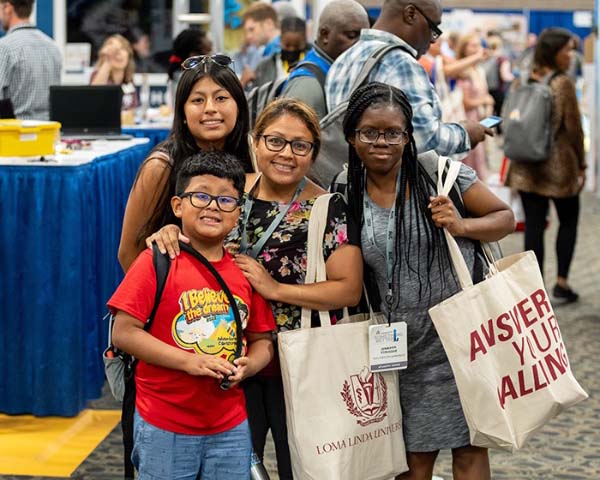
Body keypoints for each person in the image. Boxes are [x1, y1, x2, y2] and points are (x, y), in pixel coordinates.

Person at [148, 98, 363, 479]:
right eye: (275, 141)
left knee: (301, 465)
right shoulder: (230, 191)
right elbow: (194, 231)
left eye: (300, 145)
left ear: (314, 152)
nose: (286, 154)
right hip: (222, 359)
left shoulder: (328, 208)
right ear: (255, 142)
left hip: (297, 363)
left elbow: (347, 290)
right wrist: (169, 231)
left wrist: (275, 289)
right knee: (230, 468)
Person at [343, 82, 514, 479]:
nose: (381, 142)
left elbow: (503, 218)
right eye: (369, 132)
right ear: (352, 136)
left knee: (469, 448)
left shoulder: (439, 174)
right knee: (410, 461)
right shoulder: (344, 188)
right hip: (393, 346)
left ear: (408, 136)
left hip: (458, 338)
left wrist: (462, 224)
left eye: (393, 133)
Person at [109, 152, 276, 479]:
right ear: (177, 206)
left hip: (230, 426)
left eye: (226, 199)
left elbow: (261, 340)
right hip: (164, 424)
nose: (213, 206)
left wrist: (250, 365)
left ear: (237, 212)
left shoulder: (244, 273)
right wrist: (190, 362)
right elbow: (124, 332)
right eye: (201, 195)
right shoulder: (156, 261)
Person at [117, 54, 252, 272]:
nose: (210, 108)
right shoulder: (161, 167)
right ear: (182, 113)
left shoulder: (253, 156)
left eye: (221, 98)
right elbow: (128, 253)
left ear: (239, 105)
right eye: (198, 100)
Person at [325, 0, 492, 157]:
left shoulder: (344, 58)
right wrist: (465, 134)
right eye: (433, 28)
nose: (433, 40)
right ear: (410, 14)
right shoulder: (401, 64)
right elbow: (424, 142)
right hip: (392, 184)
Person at [504, 28, 585, 304]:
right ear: (554, 52)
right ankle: (561, 283)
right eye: (567, 50)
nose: (571, 55)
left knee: (534, 227)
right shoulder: (562, 83)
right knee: (569, 220)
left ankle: (533, 291)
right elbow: (573, 128)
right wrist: (582, 164)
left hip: (525, 165)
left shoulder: (523, 78)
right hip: (558, 165)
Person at [279, 0, 370, 118]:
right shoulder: (307, 85)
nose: (361, 44)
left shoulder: (337, 72)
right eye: (352, 36)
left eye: (365, 37)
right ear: (325, 35)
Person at [0, 0, 61, 120]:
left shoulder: (4, 47)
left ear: (7, 7)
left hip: (14, 134)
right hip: (47, 133)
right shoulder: (52, 47)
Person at [455, 32, 495, 180]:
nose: (478, 49)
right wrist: (484, 101)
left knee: (479, 158)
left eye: (479, 45)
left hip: (478, 117)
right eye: (473, 45)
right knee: (471, 160)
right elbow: (465, 102)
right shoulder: (462, 72)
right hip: (468, 119)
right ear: (464, 48)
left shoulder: (478, 70)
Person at [253, 16, 309, 88]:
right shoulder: (264, 67)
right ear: (280, 40)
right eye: (287, 45)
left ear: (304, 41)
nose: (291, 49)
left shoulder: (313, 65)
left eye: (296, 46)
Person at [90, 34, 138, 111]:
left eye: (122, 49)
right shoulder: (98, 74)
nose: (119, 55)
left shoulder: (129, 78)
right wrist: (107, 62)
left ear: (128, 54)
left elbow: (133, 108)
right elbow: (93, 97)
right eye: (115, 52)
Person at [166, 28, 213, 103]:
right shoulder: (185, 80)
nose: (212, 57)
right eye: (208, 52)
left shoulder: (179, 76)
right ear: (193, 56)